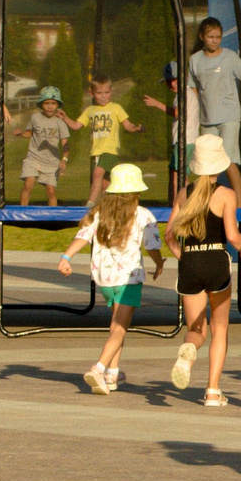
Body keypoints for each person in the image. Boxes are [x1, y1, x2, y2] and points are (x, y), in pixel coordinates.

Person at [61, 162, 160, 395]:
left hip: (104, 279)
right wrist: (159, 262)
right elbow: (153, 245)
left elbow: (82, 237)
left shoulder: (98, 213)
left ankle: (113, 375)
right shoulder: (144, 215)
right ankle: (99, 368)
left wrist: (66, 256)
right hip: (129, 280)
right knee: (119, 329)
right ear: (135, 192)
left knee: (116, 326)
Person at [164, 134, 241, 407]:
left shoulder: (184, 194)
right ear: (219, 167)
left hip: (191, 263)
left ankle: (189, 350)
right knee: (220, 329)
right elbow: (232, 236)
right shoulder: (226, 195)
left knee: (197, 329)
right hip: (216, 262)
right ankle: (212, 391)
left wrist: (183, 257)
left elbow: (169, 236)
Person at [186, 17, 241, 196]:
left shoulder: (229, 57)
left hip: (229, 117)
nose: (215, 40)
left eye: (218, 37)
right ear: (201, 36)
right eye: (211, 36)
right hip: (207, 120)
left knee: (228, 159)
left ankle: (240, 201)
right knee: (207, 161)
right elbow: (193, 87)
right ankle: (206, 198)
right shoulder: (195, 60)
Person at [74, 75, 141, 199]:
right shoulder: (90, 110)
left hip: (110, 150)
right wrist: (63, 117)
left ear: (111, 91)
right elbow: (76, 126)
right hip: (96, 153)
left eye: (106, 92)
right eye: (99, 93)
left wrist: (135, 128)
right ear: (91, 93)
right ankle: (110, 205)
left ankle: (90, 204)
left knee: (97, 173)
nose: (103, 96)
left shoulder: (116, 108)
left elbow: (127, 125)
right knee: (105, 185)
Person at [12, 87, 76, 207]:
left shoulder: (60, 123)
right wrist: (20, 133)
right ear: (41, 104)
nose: (50, 106)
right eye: (47, 103)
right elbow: (30, 133)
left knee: (51, 191)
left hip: (51, 162)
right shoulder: (35, 118)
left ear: (58, 105)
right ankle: (22, 213)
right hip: (34, 157)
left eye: (53, 103)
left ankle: (53, 217)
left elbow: (65, 144)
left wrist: (64, 160)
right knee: (28, 184)